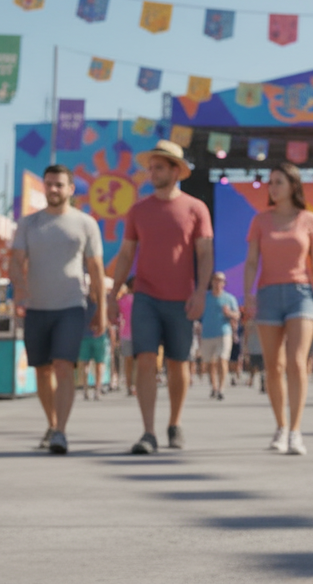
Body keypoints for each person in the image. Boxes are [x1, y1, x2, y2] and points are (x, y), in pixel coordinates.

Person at [108, 140, 213, 455]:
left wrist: (200, 292)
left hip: (182, 299)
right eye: (151, 167)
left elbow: (205, 253)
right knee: (144, 360)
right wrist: (113, 293)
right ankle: (148, 432)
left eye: (159, 167)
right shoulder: (138, 209)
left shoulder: (196, 208)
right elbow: (126, 254)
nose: (152, 172)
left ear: (175, 171)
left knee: (178, 364)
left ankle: (174, 423)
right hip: (146, 298)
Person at [11, 165, 106, 454]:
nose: (53, 190)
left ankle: (61, 431)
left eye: (59, 185)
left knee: (64, 366)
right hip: (37, 308)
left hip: (71, 306)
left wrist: (101, 309)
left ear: (70, 189)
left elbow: (96, 268)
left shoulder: (86, 223)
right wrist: (20, 290)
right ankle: (52, 424)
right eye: (49, 184)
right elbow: (15, 260)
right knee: (42, 370)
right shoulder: (29, 224)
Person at [242, 162, 313, 456]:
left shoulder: (309, 220)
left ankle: (295, 431)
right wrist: (248, 294)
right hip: (267, 294)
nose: (273, 187)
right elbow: (252, 260)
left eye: (278, 182)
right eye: (270, 182)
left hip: (301, 293)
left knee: (296, 361)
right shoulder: (260, 221)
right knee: (273, 366)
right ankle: (280, 427)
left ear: (293, 185)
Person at [200, 272, 240, 401]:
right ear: (211, 282)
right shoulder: (204, 298)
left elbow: (237, 315)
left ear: (224, 283)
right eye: (216, 280)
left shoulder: (229, 298)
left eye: (221, 280)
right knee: (210, 363)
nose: (218, 283)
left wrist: (230, 313)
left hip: (224, 333)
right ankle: (214, 387)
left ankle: (221, 389)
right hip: (207, 334)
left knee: (222, 360)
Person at [117, 277, 135, 397]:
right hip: (136, 334)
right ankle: (133, 386)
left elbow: (116, 317)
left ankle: (130, 386)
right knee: (137, 362)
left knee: (128, 362)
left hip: (125, 334)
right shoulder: (140, 300)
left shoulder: (122, 300)